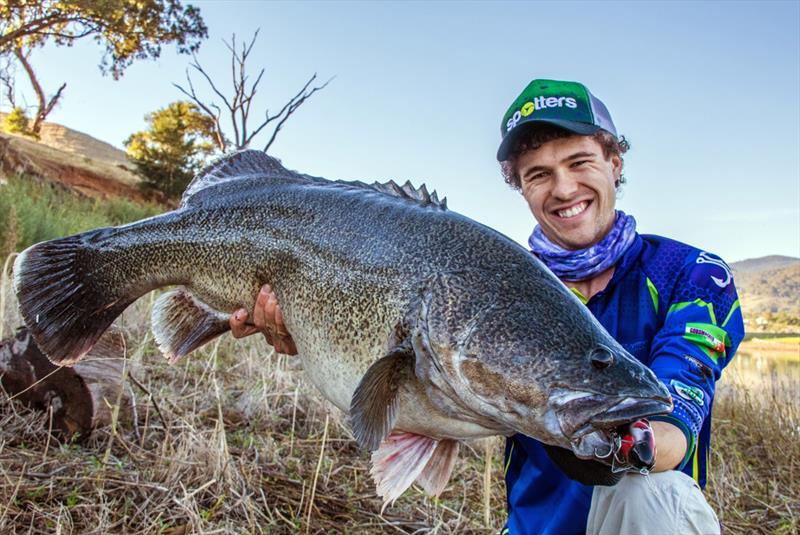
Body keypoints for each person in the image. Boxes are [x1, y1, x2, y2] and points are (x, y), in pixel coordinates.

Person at [229, 78, 744, 535]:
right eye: (538, 174)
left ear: (615, 162)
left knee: (646, 490)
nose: (564, 188)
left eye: (580, 161)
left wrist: (633, 447)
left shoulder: (691, 273)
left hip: (642, 522)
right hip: (529, 526)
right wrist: (303, 324)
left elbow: (679, 410)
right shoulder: (496, 278)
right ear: (519, 187)